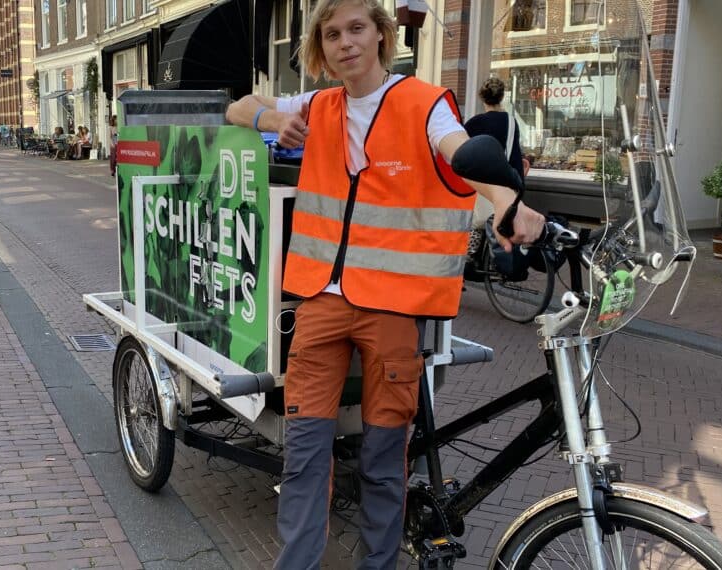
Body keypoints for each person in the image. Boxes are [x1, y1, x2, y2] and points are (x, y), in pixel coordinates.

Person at [224, 0, 544, 567]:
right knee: (303, 452)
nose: (345, 42)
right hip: (321, 299)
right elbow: (238, 107)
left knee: (382, 456)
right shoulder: (318, 104)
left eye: (356, 29)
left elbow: (460, 157)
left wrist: (504, 199)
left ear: (380, 35)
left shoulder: (423, 103)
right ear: (321, 49)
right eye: (331, 34)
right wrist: (269, 119)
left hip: (392, 309)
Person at [464, 77, 531, 234]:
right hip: (504, 185)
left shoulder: (473, 123)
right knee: (501, 231)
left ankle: (475, 254)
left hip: (480, 186)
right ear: (501, 97)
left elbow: (462, 155)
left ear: (482, 98)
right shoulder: (511, 122)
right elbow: (514, 155)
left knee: (477, 229)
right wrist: (519, 185)